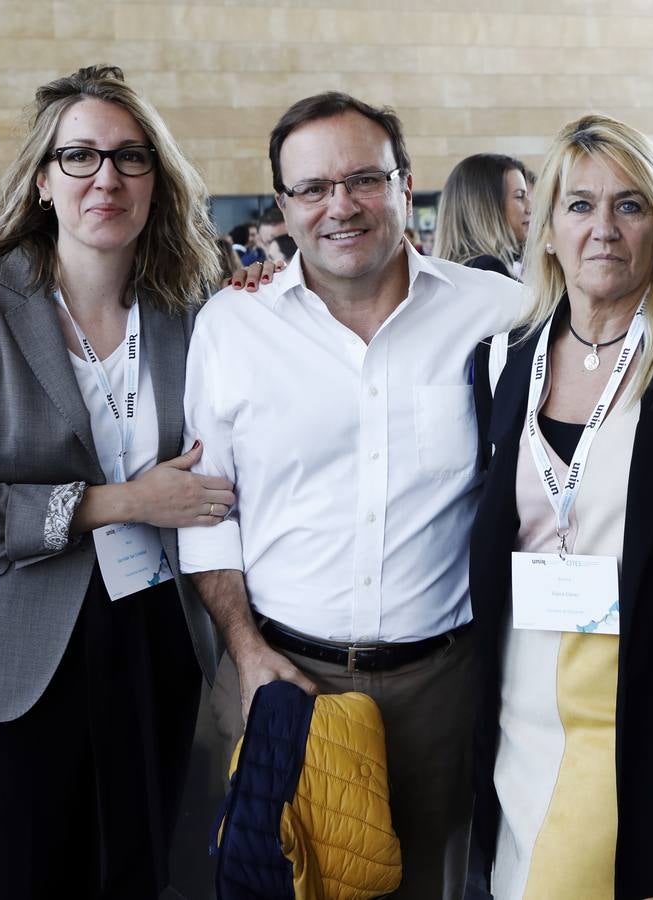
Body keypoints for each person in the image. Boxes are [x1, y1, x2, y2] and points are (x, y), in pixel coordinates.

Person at [180, 91, 522, 900]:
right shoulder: (233, 326)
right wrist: (245, 650)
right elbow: (206, 515)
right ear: (284, 206)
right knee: (277, 884)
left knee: (432, 882)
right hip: (277, 675)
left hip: (440, 686)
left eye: (365, 179)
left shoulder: (499, 314)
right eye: (313, 188)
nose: (342, 205)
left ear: (408, 185)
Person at [0, 65, 230, 899]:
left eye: (131, 158)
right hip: (6, 655)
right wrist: (125, 503)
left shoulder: (195, 311)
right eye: (80, 157)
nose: (107, 179)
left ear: (158, 182)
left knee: (138, 873)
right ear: (43, 180)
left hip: (153, 638)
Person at [466, 113, 653, 900]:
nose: (604, 229)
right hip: (522, 691)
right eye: (579, 205)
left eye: (631, 204)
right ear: (545, 228)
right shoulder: (503, 359)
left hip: (646, 694)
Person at [432, 152, 532, 278]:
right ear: (486, 208)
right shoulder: (488, 269)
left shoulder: (454, 269)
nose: (530, 207)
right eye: (519, 196)